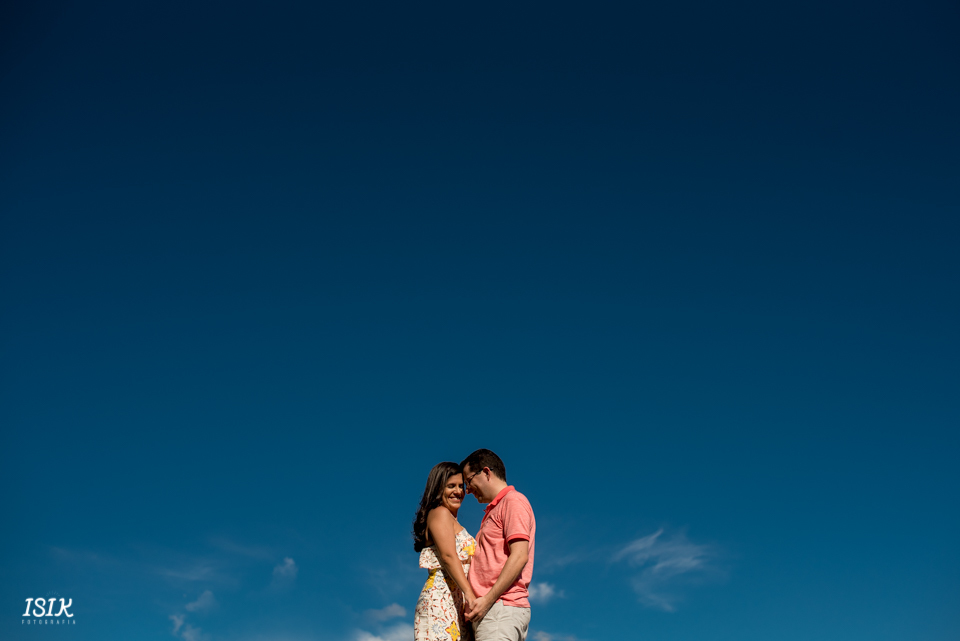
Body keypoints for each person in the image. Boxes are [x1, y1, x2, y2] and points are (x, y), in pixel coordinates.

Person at [460, 449, 535, 641]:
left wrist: (487, 600)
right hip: (491, 610)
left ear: (486, 472)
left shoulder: (513, 501)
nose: (467, 490)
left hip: (499, 608)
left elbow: (519, 556)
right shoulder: (496, 509)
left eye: (469, 481)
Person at [413, 462, 478, 641]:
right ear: (438, 488)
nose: (458, 491)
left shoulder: (450, 519)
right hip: (440, 598)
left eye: (461, 486)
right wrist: (470, 594)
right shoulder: (439, 512)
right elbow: (449, 556)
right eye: (451, 486)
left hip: (456, 601)